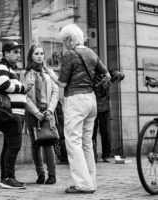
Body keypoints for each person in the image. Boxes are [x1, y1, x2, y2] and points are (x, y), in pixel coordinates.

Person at [47, 24, 111, 193]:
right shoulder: (91, 52)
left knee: (73, 142)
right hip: (91, 100)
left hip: (75, 101)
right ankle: (91, 182)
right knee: (87, 143)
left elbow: (62, 83)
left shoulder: (70, 54)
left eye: (63, 41)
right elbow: (107, 75)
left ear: (69, 39)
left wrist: (50, 73)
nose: (63, 45)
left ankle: (83, 184)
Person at [0, 41, 33, 189]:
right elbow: (5, 85)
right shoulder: (1, 67)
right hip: (11, 113)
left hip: (16, 113)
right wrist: (23, 87)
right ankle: (9, 177)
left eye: (19, 52)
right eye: (15, 52)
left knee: (9, 145)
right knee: (14, 145)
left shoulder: (10, 69)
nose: (18, 55)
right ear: (6, 54)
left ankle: (5, 177)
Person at [21, 44, 59, 184]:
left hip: (48, 113)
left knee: (48, 142)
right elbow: (24, 96)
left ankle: (52, 175)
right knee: (36, 143)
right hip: (33, 113)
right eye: (36, 53)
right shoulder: (24, 74)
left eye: (41, 53)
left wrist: (50, 110)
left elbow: (56, 92)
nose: (39, 56)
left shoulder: (49, 73)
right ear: (31, 56)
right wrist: (36, 112)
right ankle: (40, 174)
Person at [92, 71, 125, 163]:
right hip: (94, 106)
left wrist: (118, 76)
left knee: (105, 132)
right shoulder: (95, 76)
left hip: (104, 107)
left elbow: (117, 75)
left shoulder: (108, 75)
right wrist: (102, 82)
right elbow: (94, 87)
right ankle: (92, 154)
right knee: (92, 132)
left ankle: (105, 155)